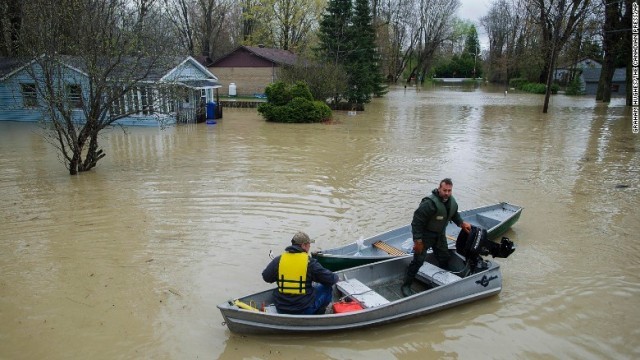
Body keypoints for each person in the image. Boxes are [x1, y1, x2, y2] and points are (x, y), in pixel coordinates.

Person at [401, 178, 472, 297]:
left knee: (444, 256)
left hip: (440, 235)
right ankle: (406, 285)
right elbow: (416, 223)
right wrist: (418, 241)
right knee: (418, 261)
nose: (447, 193)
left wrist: (461, 223)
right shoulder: (429, 204)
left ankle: (444, 280)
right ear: (439, 188)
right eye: (444, 190)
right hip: (425, 236)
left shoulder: (451, 201)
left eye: (449, 191)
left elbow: (453, 214)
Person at [262, 231, 338, 315]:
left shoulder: (279, 260)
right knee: (327, 288)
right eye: (309, 245)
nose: (309, 247)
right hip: (304, 310)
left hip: (281, 308)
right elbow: (330, 279)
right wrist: (336, 277)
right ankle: (318, 314)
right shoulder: (310, 262)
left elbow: (266, 277)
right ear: (303, 245)